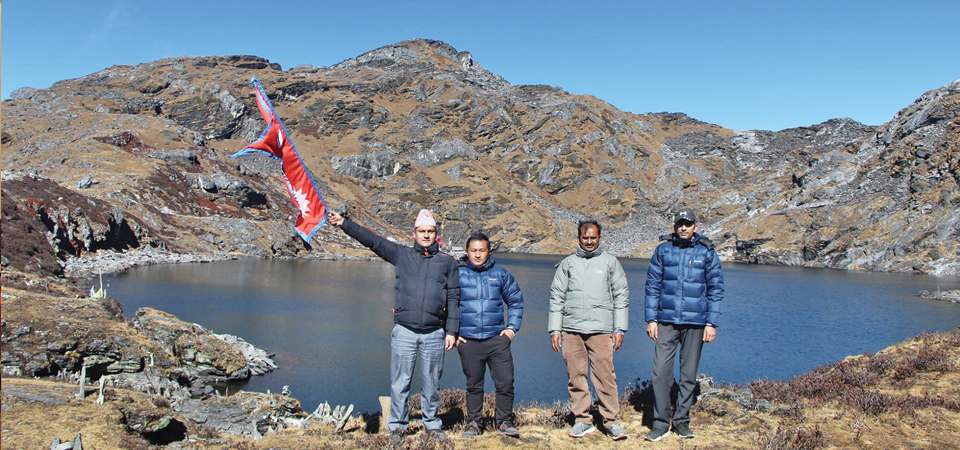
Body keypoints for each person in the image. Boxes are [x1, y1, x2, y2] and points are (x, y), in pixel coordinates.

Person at [327, 208, 459, 442]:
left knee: (432, 383)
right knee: (400, 381)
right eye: (422, 231)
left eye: (430, 231)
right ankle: (397, 426)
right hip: (404, 331)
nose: (426, 235)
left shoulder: (447, 263)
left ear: (436, 233)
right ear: (414, 233)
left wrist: (451, 331)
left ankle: (432, 425)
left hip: (434, 333)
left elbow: (454, 298)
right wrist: (344, 223)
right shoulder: (401, 255)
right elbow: (373, 241)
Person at [643, 208, 724, 441]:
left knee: (688, 375)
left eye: (688, 224)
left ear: (695, 227)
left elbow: (716, 290)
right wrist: (652, 319)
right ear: (674, 226)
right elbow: (652, 287)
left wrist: (712, 323)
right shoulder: (663, 251)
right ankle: (659, 423)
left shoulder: (706, 252)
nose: (684, 228)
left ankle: (681, 421)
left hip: (696, 323)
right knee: (660, 373)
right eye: (680, 223)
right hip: (666, 322)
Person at [548, 219, 630, 441]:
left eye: (593, 237)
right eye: (585, 238)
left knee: (605, 376)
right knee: (575, 376)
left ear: (599, 238)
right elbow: (557, 297)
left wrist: (619, 328)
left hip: (601, 329)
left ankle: (612, 421)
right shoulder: (568, 264)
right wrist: (555, 329)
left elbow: (621, 296)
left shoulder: (610, 263)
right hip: (571, 329)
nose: (589, 241)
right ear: (579, 238)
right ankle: (582, 420)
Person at [455, 232, 524, 438]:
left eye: (481, 251)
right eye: (473, 251)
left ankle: (503, 421)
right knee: (474, 384)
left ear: (489, 252)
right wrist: (452, 333)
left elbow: (516, 301)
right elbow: (445, 305)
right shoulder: (457, 275)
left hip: (497, 340)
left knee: (505, 381)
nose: (477, 255)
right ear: (466, 252)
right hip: (468, 340)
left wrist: (511, 329)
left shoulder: (500, 274)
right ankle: (474, 423)